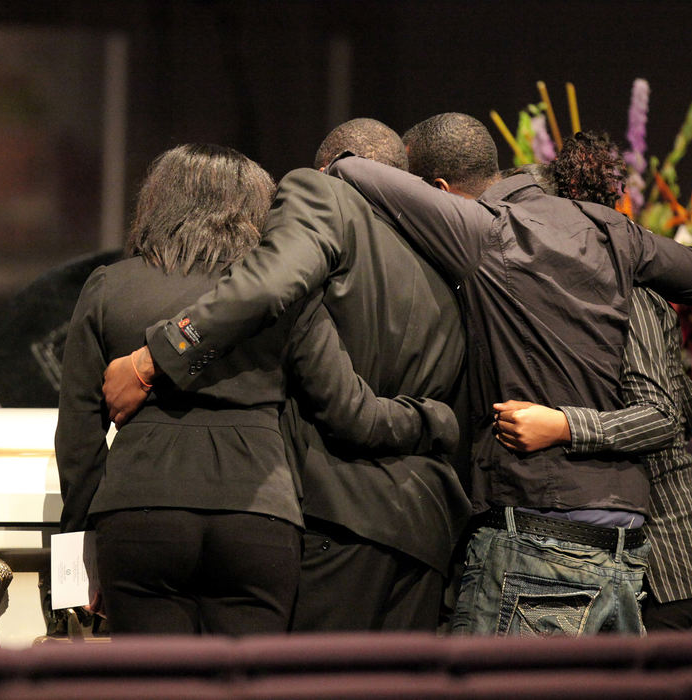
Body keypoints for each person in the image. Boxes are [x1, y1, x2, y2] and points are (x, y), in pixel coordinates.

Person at [327, 113, 692, 635]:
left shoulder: (485, 230)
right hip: (622, 544)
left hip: (544, 534)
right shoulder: (610, 231)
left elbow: (355, 168)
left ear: (442, 194)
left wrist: (336, 164)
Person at [57, 143, 458, 636]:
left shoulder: (107, 287)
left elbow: (78, 442)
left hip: (140, 516)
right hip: (259, 518)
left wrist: (76, 556)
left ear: (155, 204)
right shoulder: (285, 301)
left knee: (153, 690)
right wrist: (434, 417)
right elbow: (350, 413)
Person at [492, 132, 692, 631]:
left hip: (665, 560)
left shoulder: (628, 293)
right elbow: (684, 403)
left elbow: (666, 415)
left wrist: (563, 425)